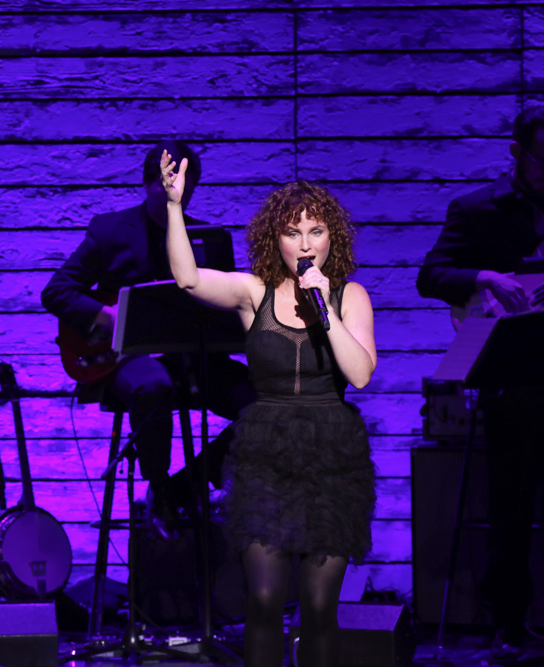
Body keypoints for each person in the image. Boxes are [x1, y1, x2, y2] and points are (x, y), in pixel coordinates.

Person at [162, 151, 377, 667]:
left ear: (332, 238)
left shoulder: (351, 296)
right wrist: (174, 207)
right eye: (292, 232)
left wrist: (323, 307)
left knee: (320, 607)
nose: (305, 245)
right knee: (262, 601)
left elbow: (360, 374)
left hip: (332, 453)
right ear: (273, 239)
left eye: (316, 232)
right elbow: (188, 279)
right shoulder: (251, 291)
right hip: (266, 452)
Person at [41, 141, 254, 539]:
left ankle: (183, 486)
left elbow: (228, 310)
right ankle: (159, 486)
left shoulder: (207, 239)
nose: (178, 189)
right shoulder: (111, 231)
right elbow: (56, 291)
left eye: (186, 182)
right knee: (153, 385)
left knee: (267, 403)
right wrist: (105, 315)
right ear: (147, 183)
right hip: (127, 359)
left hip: (191, 357)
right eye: (168, 180)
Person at [417, 105, 544, 654]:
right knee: (513, 501)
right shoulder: (477, 210)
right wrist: (486, 276)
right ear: (517, 153)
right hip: (514, 373)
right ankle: (510, 622)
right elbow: (431, 275)